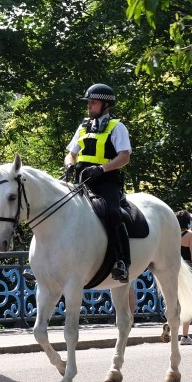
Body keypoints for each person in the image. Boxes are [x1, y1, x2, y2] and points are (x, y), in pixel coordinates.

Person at [63, 83, 133, 282]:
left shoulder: (117, 127)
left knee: (112, 212)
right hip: (81, 179)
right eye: (89, 103)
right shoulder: (83, 126)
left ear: (105, 104)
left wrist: (101, 169)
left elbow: (124, 157)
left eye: (93, 102)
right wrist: (69, 165)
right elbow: (71, 154)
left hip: (106, 180)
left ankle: (122, 262)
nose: (89, 106)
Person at [177, 210, 192, 345]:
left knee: (175, 300)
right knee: (188, 301)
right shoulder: (190, 235)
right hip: (187, 270)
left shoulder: (172, 234)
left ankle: (169, 325)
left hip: (174, 268)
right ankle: (185, 336)